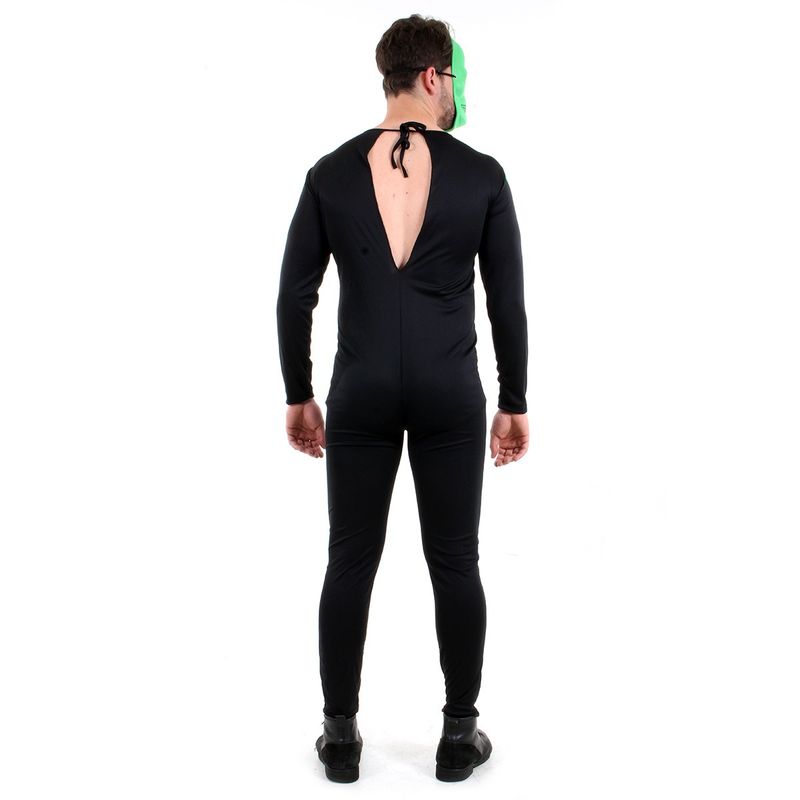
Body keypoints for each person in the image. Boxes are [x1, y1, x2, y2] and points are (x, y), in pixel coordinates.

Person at [276, 14, 529, 783]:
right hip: (451, 391)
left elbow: (294, 295)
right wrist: (514, 399)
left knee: (349, 559)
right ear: (429, 77)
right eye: (453, 79)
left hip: (361, 391)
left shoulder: (329, 173)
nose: (457, 93)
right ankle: (458, 737)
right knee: (455, 561)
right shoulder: (482, 175)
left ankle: (340, 738)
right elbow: (507, 302)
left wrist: (299, 393)